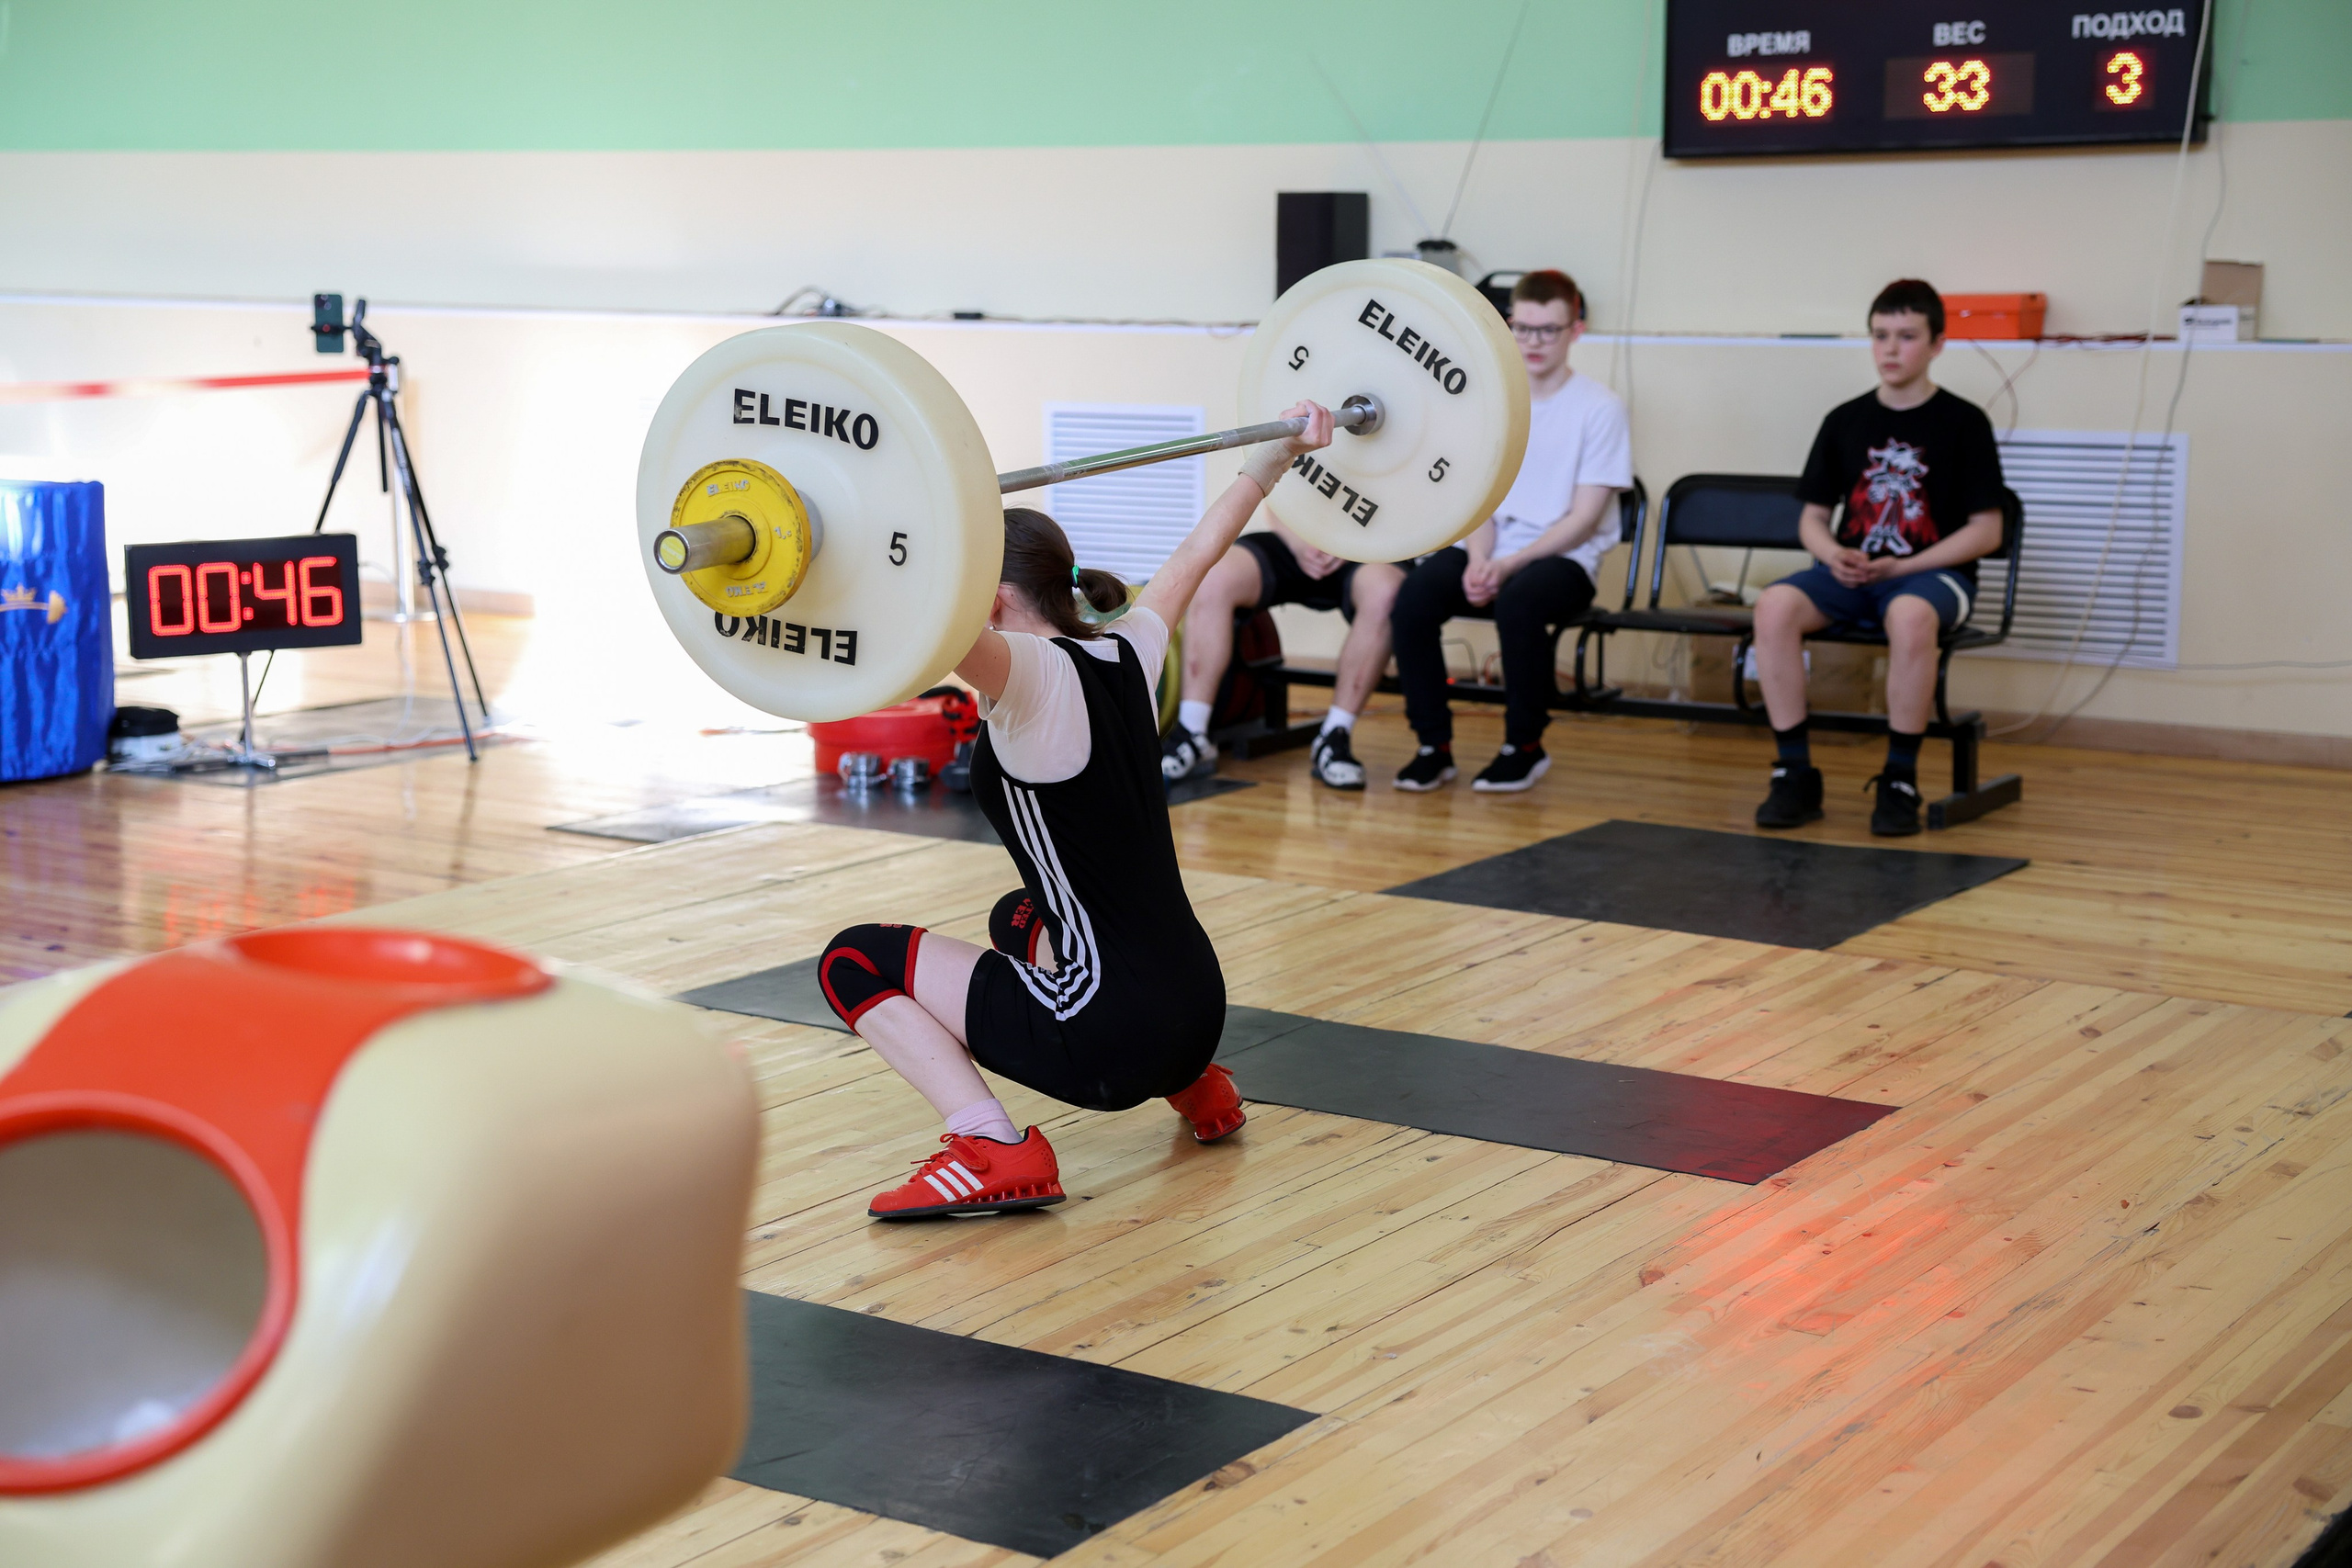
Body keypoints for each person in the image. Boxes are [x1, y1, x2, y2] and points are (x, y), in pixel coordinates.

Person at [818, 402, 1336, 1219]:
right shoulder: (1128, 643)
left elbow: (927, 627)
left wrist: (853, 529)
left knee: (852, 961)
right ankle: (1196, 1087)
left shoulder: (1026, 676)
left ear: (988, 602)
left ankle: (989, 1144)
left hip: (1111, 1038)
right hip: (1198, 1006)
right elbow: (1200, 553)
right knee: (1017, 915)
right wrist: (1277, 455)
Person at [1752, 279, 2006, 837]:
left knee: (1911, 617)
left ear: (1938, 344)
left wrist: (1905, 567)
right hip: (1852, 574)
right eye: (1880, 336)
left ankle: (1899, 780)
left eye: (1907, 337)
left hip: (1933, 576)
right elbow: (1812, 518)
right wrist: (1833, 554)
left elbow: (1987, 532)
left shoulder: (1964, 424)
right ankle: (1794, 772)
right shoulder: (1845, 420)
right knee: (1773, 606)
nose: (1891, 349)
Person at [1387, 270, 1631, 793]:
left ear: (1576, 331)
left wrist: (1506, 566)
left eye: (1549, 330)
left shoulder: (1600, 407)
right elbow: (1478, 498)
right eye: (1523, 328)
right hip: (1487, 542)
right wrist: (1480, 557)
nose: (1534, 342)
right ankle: (1434, 746)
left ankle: (1524, 746)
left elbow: (1584, 519)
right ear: (1508, 325)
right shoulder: (1486, 400)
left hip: (1563, 557)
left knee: (1518, 602)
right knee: (1413, 600)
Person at [1160, 524, 1404, 792]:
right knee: (1214, 576)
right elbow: (1281, 498)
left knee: (1387, 593)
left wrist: (1351, 548)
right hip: (1297, 542)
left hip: (1371, 551)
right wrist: (1301, 545)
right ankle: (1193, 733)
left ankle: (1334, 736)